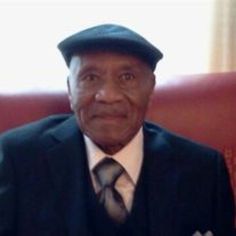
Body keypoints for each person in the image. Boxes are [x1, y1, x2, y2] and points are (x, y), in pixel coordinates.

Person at [0, 24, 235, 236]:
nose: (108, 96)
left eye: (127, 77)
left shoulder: (203, 171)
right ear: (70, 90)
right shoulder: (17, 159)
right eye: (90, 77)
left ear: (150, 88)